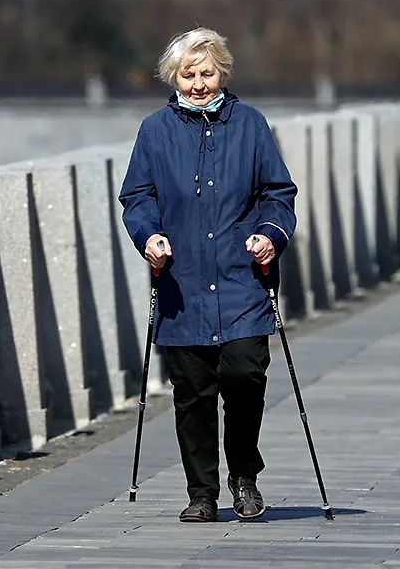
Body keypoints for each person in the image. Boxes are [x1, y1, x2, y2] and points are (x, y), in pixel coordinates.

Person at [118, 27, 297, 523]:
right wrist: (149, 236)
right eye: (188, 74)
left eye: (207, 72)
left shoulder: (252, 124)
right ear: (174, 77)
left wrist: (269, 235)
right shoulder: (155, 131)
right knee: (192, 392)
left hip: (242, 279)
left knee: (245, 375)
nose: (199, 83)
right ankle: (202, 493)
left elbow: (278, 194)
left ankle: (244, 476)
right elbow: (137, 197)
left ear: (223, 71)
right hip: (182, 283)